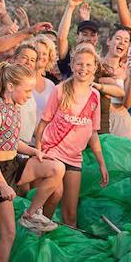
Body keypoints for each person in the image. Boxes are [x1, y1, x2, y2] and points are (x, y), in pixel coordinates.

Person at [0, 64, 66, 262]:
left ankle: (31, 214)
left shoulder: (14, 108)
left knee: (56, 168)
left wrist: (33, 151)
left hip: (14, 164)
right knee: (8, 233)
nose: (30, 96)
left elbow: (11, 141)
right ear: (10, 87)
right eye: (27, 91)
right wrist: (3, 185)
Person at [35, 45, 108, 229]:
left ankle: (68, 248)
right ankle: (39, 228)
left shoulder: (95, 96)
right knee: (55, 194)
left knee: (71, 213)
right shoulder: (60, 90)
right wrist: (38, 150)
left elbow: (92, 132)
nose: (84, 68)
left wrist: (101, 163)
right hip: (53, 152)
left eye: (89, 65)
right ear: (73, 65)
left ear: (95, 68)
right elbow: (43, 122)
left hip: (74, 158)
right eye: (80, 64)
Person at [100, 27, 131, 138]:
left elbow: (127, 104)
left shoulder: (126, 71)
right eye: (118, 38)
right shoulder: (96, 64)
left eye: (126, 41)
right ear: (109, 41)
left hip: (121, 121)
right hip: (100, 118)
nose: (122, 43)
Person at [56, 0, 101, 79]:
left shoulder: (100, 62)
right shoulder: (68, 58)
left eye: (92, 35)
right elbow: (61, 38)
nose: (88, 38)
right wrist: (70, 7)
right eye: (84, 34)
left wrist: (85, 21)